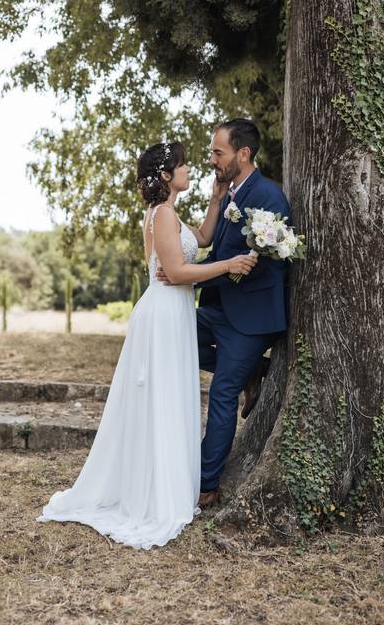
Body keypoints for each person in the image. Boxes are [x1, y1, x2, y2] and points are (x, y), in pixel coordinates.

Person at [36, 141, 257, 549]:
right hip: (163, 313)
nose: (191, 170)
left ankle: (167, 482)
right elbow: (175, 270)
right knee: (162, 398)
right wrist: (228, 266)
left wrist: (215, 200)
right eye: (184, 166)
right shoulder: (163, 214)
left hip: (172, 312)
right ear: (166, 176)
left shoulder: (169, 214)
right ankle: (157, 493)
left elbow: (204, 238)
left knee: (169, 396)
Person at [158, 119, 291, 509]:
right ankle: (252, 371)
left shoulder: (269, 197)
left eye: (218, 153)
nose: (212, 159)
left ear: (243, 154)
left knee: (221, 394)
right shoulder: (229, 194)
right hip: (218, 308)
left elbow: (261, 264)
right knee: (175, 337)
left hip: (250, 320)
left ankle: (205, 484)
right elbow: (218, 254)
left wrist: (189, 277)